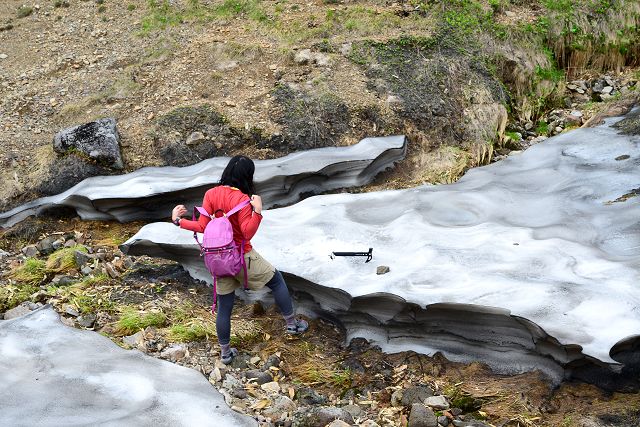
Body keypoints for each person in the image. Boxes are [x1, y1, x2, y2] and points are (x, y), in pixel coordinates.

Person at [171, 155, 308, 364]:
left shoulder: (210, 194)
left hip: (218, 260)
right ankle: (292, 324)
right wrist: (258, 212)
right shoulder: (243, 199)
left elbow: (201, 226)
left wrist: (178, 221)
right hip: (242, 257)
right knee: (276, 280)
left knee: (225, 306)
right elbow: (247, 233)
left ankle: (225, 353)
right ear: (247, 176)